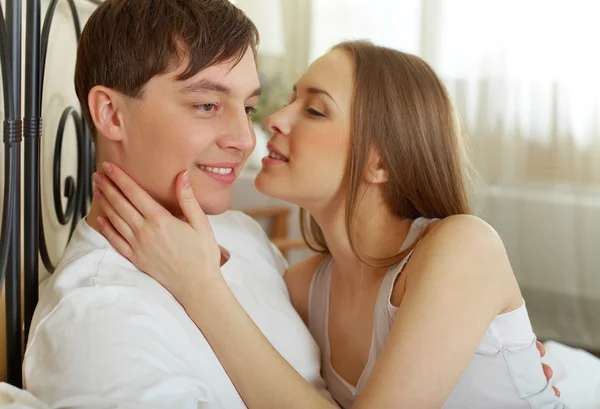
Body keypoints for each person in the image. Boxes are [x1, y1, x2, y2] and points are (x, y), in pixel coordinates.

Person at [93, 41, 567, 408]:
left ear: (380, 161)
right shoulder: (301, 288)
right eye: (287, 101)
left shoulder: (465, 247)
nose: (274, 120)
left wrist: (200, 285)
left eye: (314, 110)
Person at [23, 1, 333, 407]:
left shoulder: (241, 233)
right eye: (207, 105)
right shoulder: (99, 320)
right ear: (111, 114)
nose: (245, 139)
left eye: (248, 108)